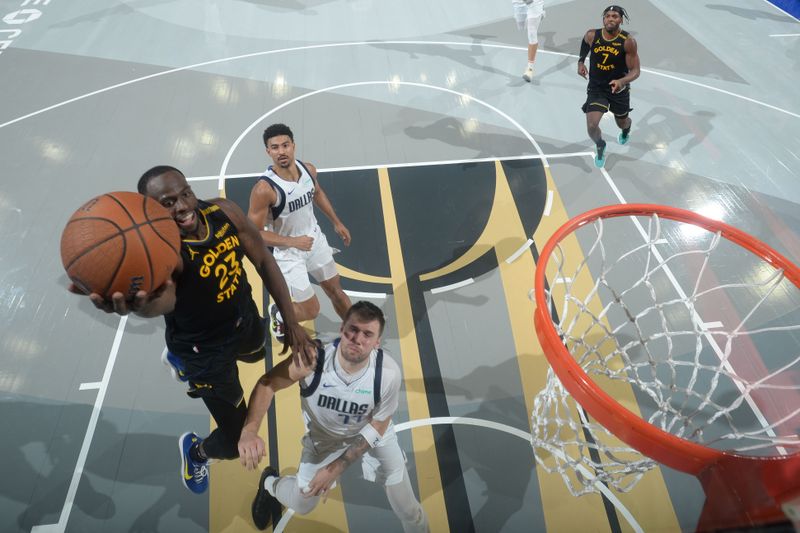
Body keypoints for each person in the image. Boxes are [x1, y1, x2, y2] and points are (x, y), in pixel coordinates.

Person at [68, 165, 316, 495]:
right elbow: (163, 302)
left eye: (184, 194)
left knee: (257, 346)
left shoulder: (222, 211)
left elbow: (264, 261)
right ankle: (196, 453)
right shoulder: (163, 254)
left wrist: (292, 320)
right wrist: (139, 306)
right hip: (205, 351)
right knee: (233, 441)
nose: (183, 206)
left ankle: (185, 354)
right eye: (167, 203)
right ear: (150, 210)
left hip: (241, 314)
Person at [238, 301, 429, 532]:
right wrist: (249, 431)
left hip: (370, 433)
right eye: (353, 329)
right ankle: (269, 483)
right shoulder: (312, 360)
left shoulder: (387, 374)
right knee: (302, 502)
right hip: (324, 440)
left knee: (410, 510)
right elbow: (267, 384)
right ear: (342, 329)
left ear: (377, 342)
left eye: (367, 334)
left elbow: (379, 424)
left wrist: (336, 468)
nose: (357, 339)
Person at [248, 123, 352, 342]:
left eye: (285, 145)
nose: (281, 151)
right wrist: (293, 241)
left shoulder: (308, 169)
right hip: (288, 254)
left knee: (337, 292)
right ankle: (279, 313)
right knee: (311, 310)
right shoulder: (264, 189)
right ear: (268, 152)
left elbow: (318, 192)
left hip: (315, 241)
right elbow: (254, 232)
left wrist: (336, 222)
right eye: (275, 147)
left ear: (293, 145)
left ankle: (354, 333)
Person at [577, 5, 640, 168]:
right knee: (591, 125)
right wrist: (581, 61)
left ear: (621, 20)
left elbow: (636, 70)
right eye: (607, 16)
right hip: (597, 88)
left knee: (622, 122)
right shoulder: (592, 35)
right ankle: (600, 144)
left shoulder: (627, 42)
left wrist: (622, 81)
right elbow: (584, 44)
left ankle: (626, 129)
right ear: (603, 19)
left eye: (615, 16)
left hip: (619, 90)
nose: (610, 19)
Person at [511, 0, 545, 82]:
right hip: (519, 2)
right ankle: (541, 14)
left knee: (532, 32)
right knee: (521, 26)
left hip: (535, 3)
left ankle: (530, 68)